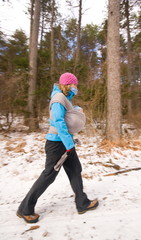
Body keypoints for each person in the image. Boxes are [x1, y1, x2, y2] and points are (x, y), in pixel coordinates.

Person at [17, 72, 99, 223]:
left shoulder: (64, 98)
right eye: (75, 84)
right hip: (57, 144)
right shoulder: (58, 99)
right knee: (49, 175)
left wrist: (77, 109)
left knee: (75, 169)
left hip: (65, 142)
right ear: (68, 85)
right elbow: (59, 122)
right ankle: (25, 209)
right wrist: (68, 145)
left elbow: (68, 111)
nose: (76, 87)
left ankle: (82, 203)